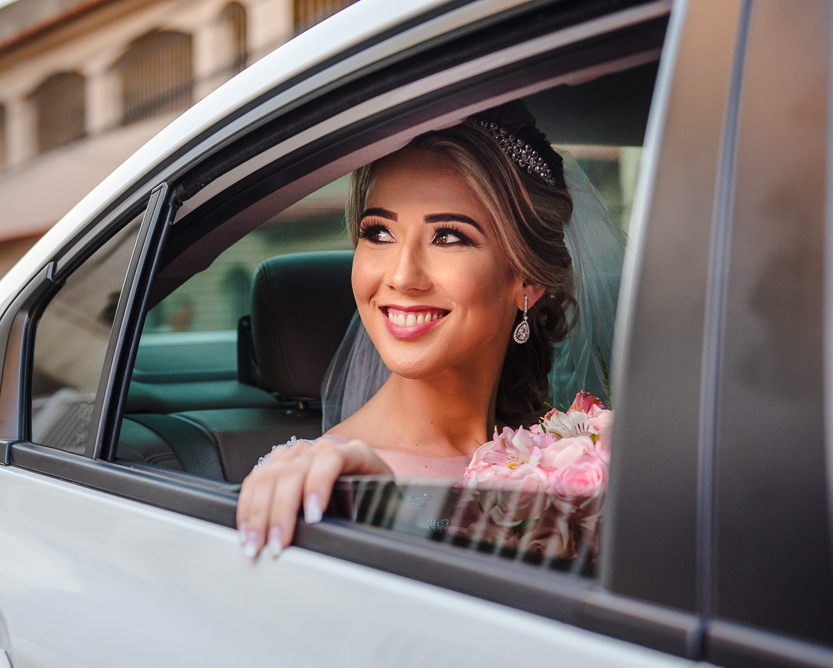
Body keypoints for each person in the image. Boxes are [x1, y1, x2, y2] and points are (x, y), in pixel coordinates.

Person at [236, 101, 607, 559]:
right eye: (379, 233)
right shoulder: (319, 481)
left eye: (448, 236)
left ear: (526, 281)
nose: (402, 276)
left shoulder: (576, 454)